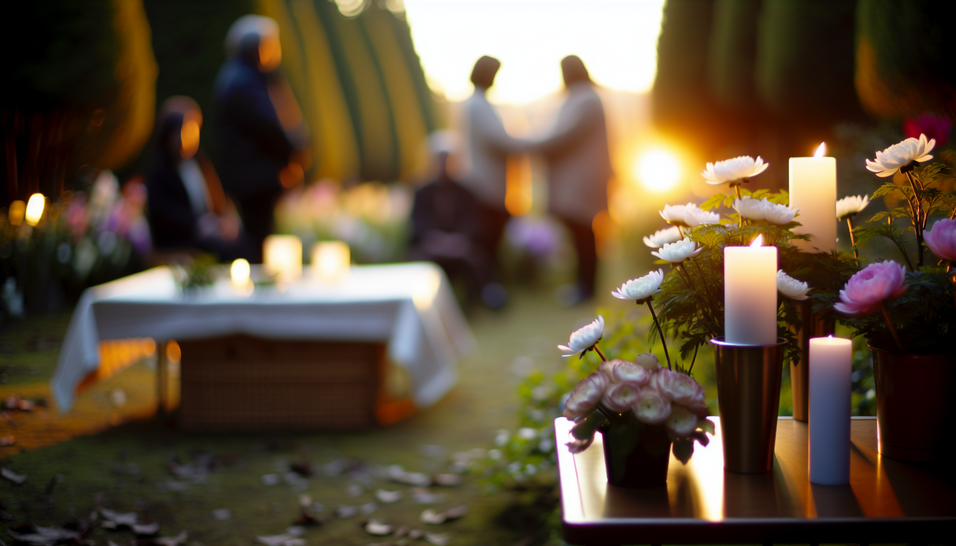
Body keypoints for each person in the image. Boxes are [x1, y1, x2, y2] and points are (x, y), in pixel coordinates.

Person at [213, 16, 308, 262]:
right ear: (259, 48)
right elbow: (269, 127)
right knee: (256, 244)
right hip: (253, 180)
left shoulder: (242, 77)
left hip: (252, 178)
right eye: (272, 44)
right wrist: (295, 151)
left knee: (258, 240)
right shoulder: (244, 81)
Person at [532, 56, 612, 303]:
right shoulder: (583, 96)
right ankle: (582, 285)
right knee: (581, 234)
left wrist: (529, 145)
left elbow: (563, 134)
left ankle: (586, 289)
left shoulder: (585, 97)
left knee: (584, 234)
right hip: (580, 180)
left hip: (583, 182)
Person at [458, 56, 527, 303]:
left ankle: (489, 290)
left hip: (488, 185)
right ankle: (489, 292)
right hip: (486, 187)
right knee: (489, 243)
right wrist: (528, 142)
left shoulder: (475, 103)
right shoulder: (477, 105)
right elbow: (499, 139)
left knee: (491, 242)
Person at [145, 97, 247, 261]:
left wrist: (224, 223)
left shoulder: (200, 162)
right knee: (220, 251)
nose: (190, 138)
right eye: (184, 132)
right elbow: (161, 212)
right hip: (180, 239)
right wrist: (196, 224)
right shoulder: (160, 171)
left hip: (208, 233)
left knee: (243, 244)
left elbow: (218, 200)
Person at [407, 132, 497, 310]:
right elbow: (417, 223)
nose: (443, 164)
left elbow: (475, 222)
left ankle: (484, 299)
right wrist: (436, 239)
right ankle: (423, 307)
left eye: (447, 159)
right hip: (431, 245)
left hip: (460, 245)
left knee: (475, 259)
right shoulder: (421, 192)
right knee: (418, 261)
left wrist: (458, 240)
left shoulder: (467, 191)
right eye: (439, 159)